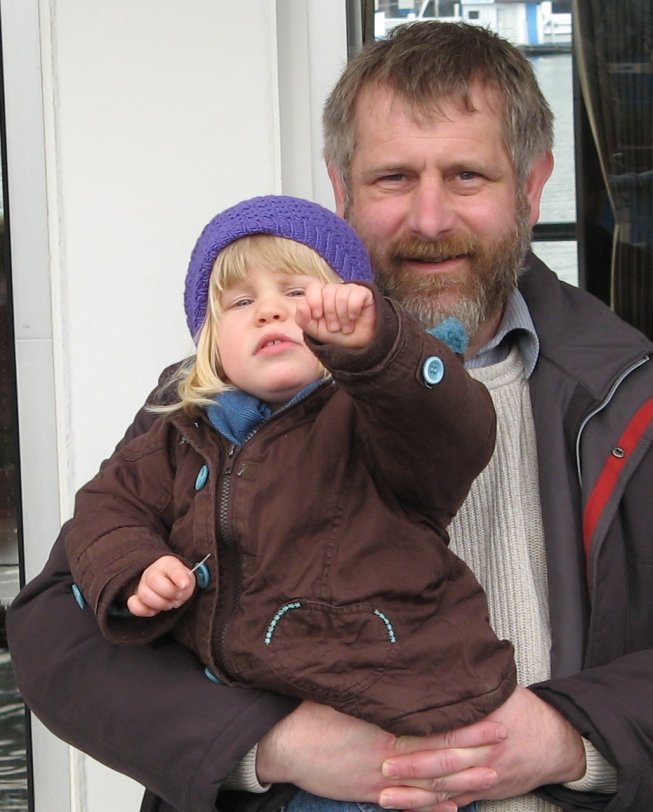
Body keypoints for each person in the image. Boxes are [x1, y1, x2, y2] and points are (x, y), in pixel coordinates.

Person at [7, 18, 653, 812]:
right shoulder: (216, 402)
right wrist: (268, 744)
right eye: (390, 179)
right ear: (339, 187)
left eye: (465, 177)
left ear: (530, 183)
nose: (427, 218)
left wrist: (573, 736)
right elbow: (56, 629)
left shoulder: (626, 392)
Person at [64, 194, 512, 761]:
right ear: (209, 340)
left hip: (397, 718)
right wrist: (136, 569)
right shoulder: (180, 433)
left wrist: (379, 348)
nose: (270, 311)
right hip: (249, 724)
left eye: (297, 292)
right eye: (241, 300)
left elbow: (452, 431)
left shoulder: (374, 415)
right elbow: (105, 507)